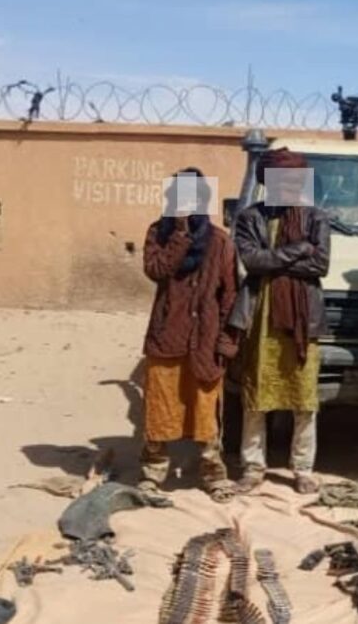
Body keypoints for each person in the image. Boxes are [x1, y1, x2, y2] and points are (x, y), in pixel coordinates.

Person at [229, 148, 331, 495]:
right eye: (280, 180)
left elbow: (320, 266)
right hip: (261, 315)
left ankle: (302, 468)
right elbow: (252, 261)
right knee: (256, 394)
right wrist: (298, 250)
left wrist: (279, 259)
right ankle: (253, 466)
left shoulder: (316, 217)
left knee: (303, 397)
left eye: (293, 180)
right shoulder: (249, 218)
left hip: (303, 319)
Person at [139, 168, 239, 502]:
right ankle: (153, 473)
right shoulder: (158, 232)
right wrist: (179, 234)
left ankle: (212, 472)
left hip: (206, 335)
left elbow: (229, 295)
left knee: (206, 407)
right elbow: (157, 270)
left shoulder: (220, 240)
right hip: (168, 332)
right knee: (160, 404)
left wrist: (227, 340)